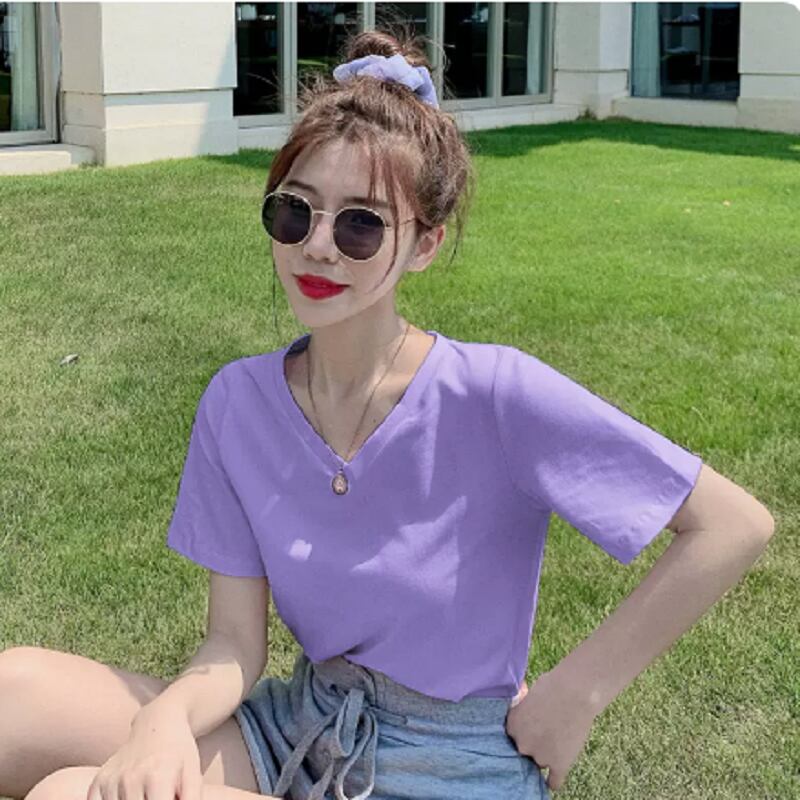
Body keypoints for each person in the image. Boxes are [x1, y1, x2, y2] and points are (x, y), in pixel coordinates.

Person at [1, 24, 776, 800]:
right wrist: (165, 719)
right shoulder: (238, 402)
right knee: (15, 695)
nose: (318, 247)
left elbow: (732, 524)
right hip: (305, 724)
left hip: (453, 767)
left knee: (69, 795)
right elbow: (233, 644)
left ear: (425, 245)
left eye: (361, 224)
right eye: (295, 212)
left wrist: (578, 693)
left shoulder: (494, 394)